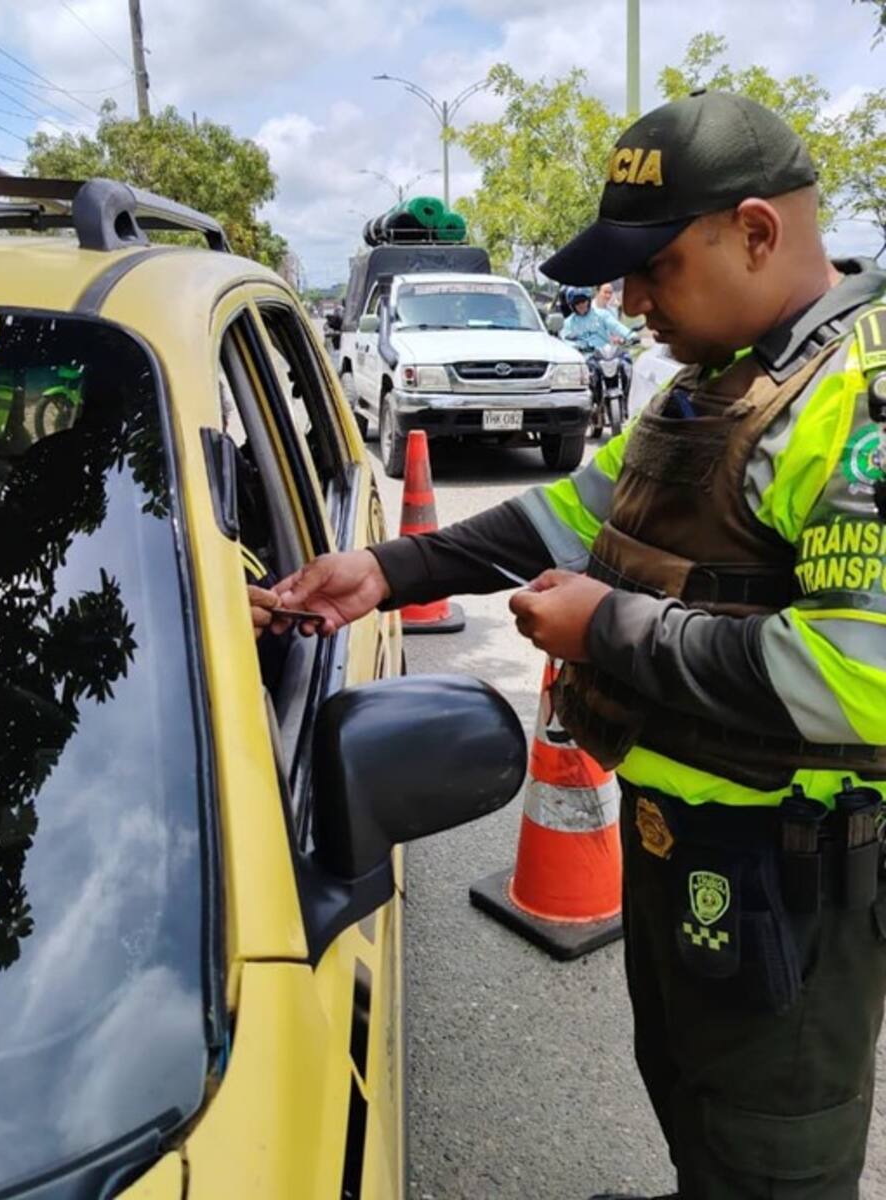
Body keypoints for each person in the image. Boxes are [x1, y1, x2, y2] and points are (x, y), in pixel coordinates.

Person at [274, 90, 886, 1199]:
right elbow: (568, 514)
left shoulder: (859, 401)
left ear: (755, 231)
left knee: (772, 1149)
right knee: (689, 1092)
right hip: (679, 837)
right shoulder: (720, 378)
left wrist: (607, 626)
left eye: (654, 267)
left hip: (789, 873)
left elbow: (857, 682)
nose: (629, 301)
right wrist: (390, 570)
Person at [561, 285, 633, 353]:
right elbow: (565, 339)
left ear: (588, 300)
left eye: (583, 301)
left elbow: (617, 326)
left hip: (605, 355)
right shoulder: (568, 323)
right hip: (582, 358)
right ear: (572, 306)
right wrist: (576, 347)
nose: (581, 305)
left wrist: (630, 335)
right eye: (577, 303)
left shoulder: (602, 314)